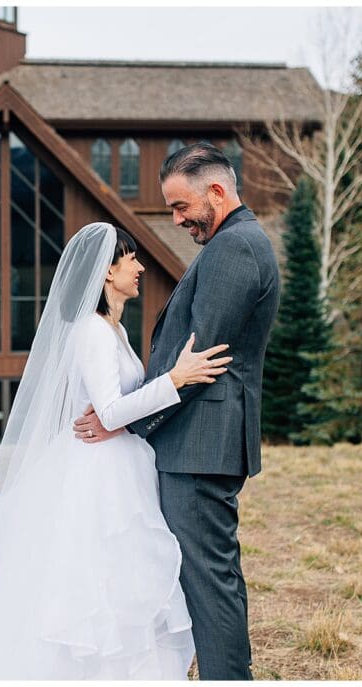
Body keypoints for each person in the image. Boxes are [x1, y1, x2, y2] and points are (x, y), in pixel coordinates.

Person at [0, 221, 233, 680]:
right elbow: (108, 411)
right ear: (107, 272)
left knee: (120, 583)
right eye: (132, 260)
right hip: (98, 476)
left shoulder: (114, 330)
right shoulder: (91, 331)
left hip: (119, 464)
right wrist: (176, 379)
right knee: (94, 584)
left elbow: (112, 411)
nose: (141, 268)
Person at [73, 142, 281, 680]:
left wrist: (121, 418)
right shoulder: (233, 243)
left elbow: (199, 355)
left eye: (181, 206)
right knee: (200, 575)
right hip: (197, 442)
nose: (176, 220)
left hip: (201, 445)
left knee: (208, 578)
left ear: (217, 191)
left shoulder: (235, 248)